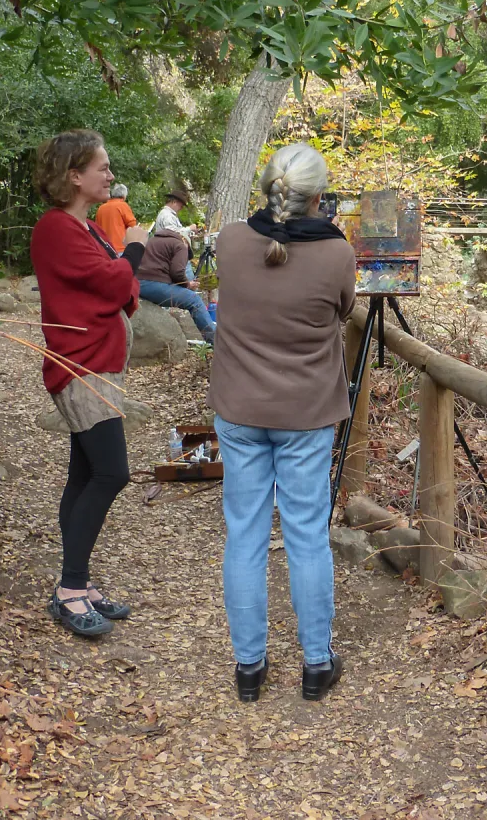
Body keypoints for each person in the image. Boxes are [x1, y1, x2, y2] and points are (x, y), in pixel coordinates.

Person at [207, 142, 355, 704]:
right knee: (306, 534)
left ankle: (249, 667)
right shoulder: (338, 254)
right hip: (306, 412)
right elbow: (340, 311)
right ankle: (316, 663)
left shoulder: (230, 240)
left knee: (244, 532)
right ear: (319, 196)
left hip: (241, 407)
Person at [30, 130, 142, 639]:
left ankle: (78, 581)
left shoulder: (84, 226)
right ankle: (69, 587)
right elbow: (117, 282)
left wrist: (124, 273)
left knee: (85, 471)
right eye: (103, 167)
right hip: (80, 369)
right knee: (111, 473)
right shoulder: (57, 228)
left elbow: (120, 289)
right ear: (74, 175)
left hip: (98, 365)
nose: (110, 175)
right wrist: (136, 253)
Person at [136, 216, 215, 343]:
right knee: (194, 300)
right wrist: (188, 284)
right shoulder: (181, 244)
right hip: (153, 285)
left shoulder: (153, 240)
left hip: (137, 283)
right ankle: (216, 342)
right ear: (186, 241)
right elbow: (177, 272)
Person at [95, 182, 138, 249]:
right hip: (120, 247)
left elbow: (96, 229)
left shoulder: (101, 208)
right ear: (124, 195)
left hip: (105, 248)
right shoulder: (122, 205)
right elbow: (132, 224)